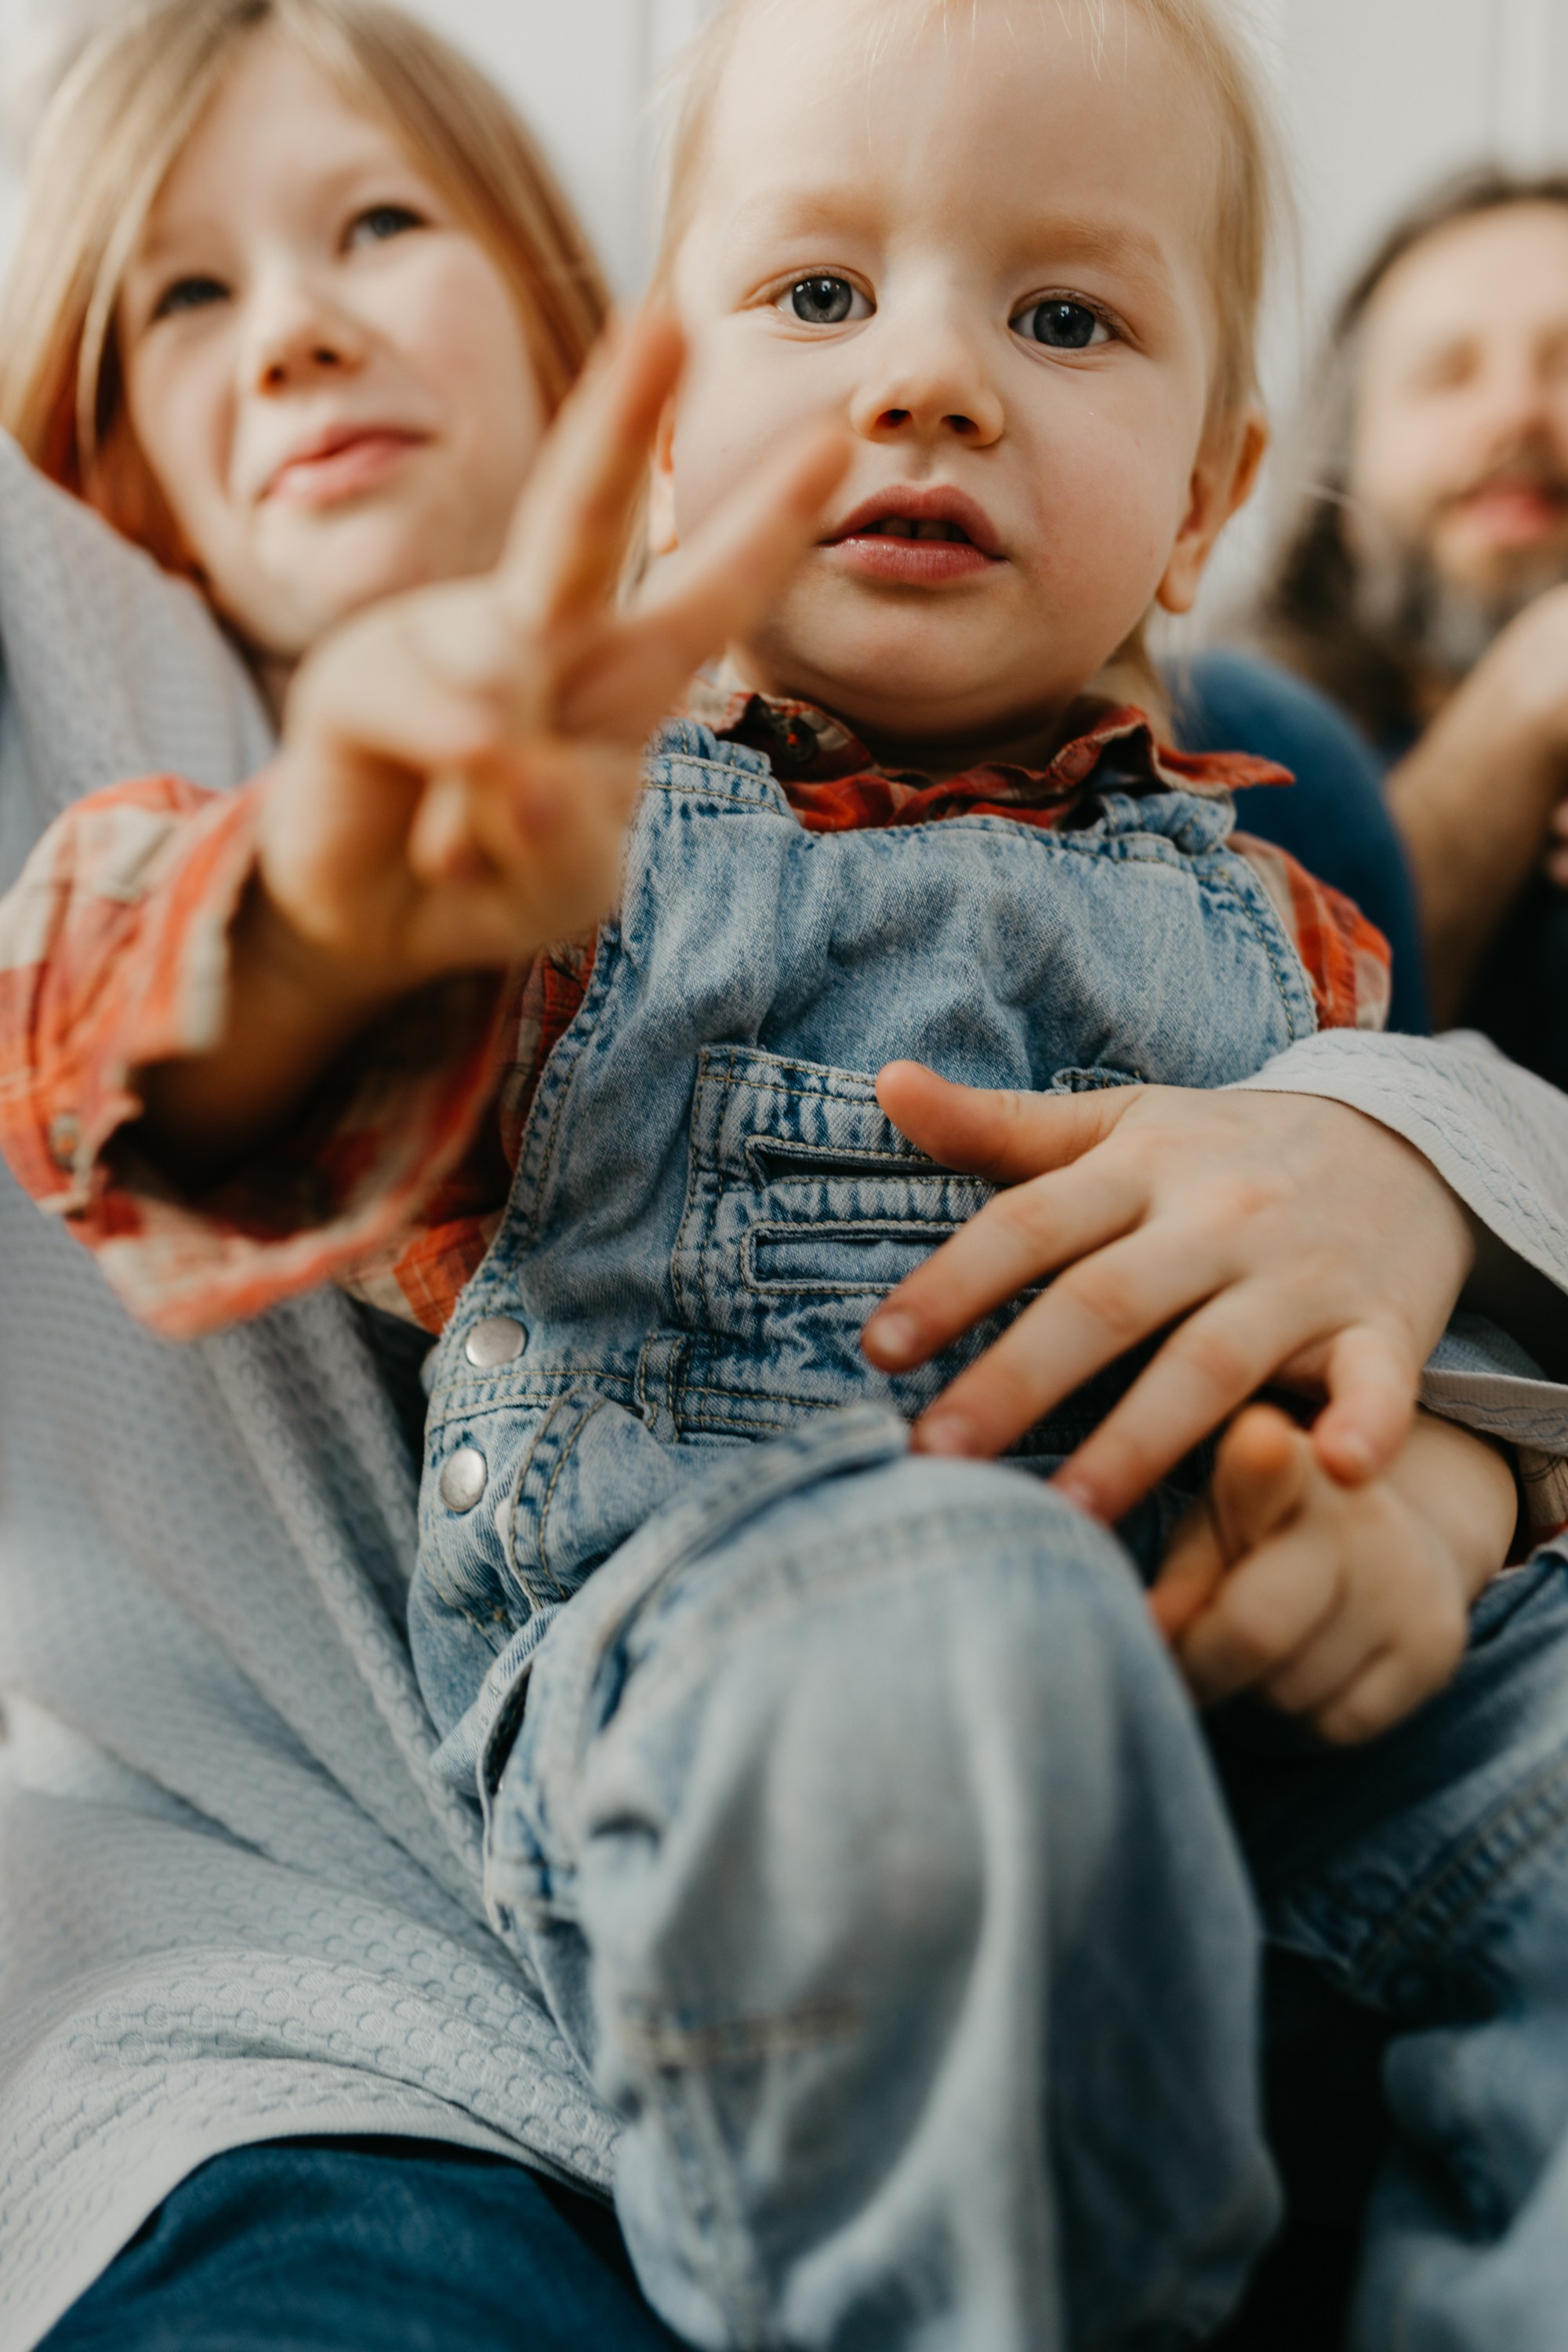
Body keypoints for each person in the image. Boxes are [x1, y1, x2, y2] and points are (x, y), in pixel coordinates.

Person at [9, 0, 1568, 2344]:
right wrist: (332, 915)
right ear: (658, 429)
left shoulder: (1285, 906)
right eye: (821, 293)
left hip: (1244, 1712)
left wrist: (1414, 1493)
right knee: (965, 1645)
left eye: (1063, 318)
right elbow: (154, 1058)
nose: (929, 378)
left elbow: (1423, 1320)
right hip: (774, 1696)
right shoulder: (576, 838)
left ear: (1203, 496)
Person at [1255, 165, 1568, 1065]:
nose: (1514, 413)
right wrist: (1532, 696)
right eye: (1444, 375)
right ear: (1341, 489)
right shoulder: (1220, 744)